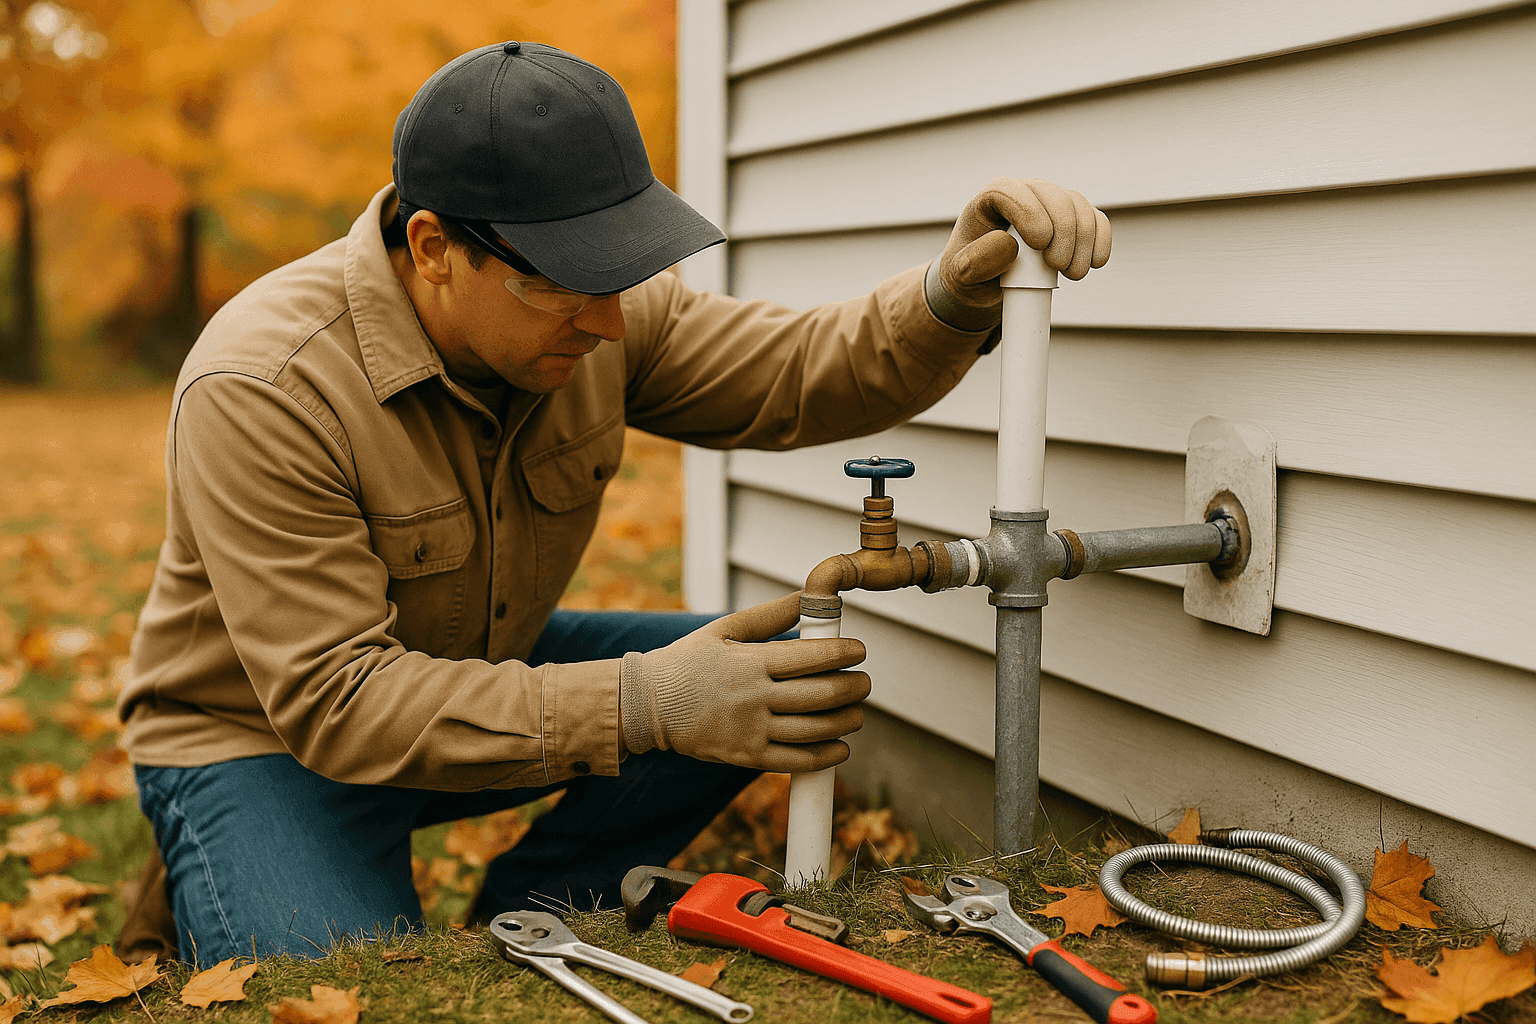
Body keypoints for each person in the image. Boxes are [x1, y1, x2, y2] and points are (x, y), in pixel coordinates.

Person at [116, 40, 1110, 966]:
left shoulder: (602, 314)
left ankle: (533, 909)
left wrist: (954, 290)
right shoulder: (266, 385)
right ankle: (219, 839)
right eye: (566, 283)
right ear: (433, 247)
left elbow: (805, 372)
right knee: (365, 985)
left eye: (618, 272)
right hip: (268, 736)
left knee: (761, 673)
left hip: (470, 671)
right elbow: (342, 700)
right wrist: (644, 702)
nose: (606, 318)